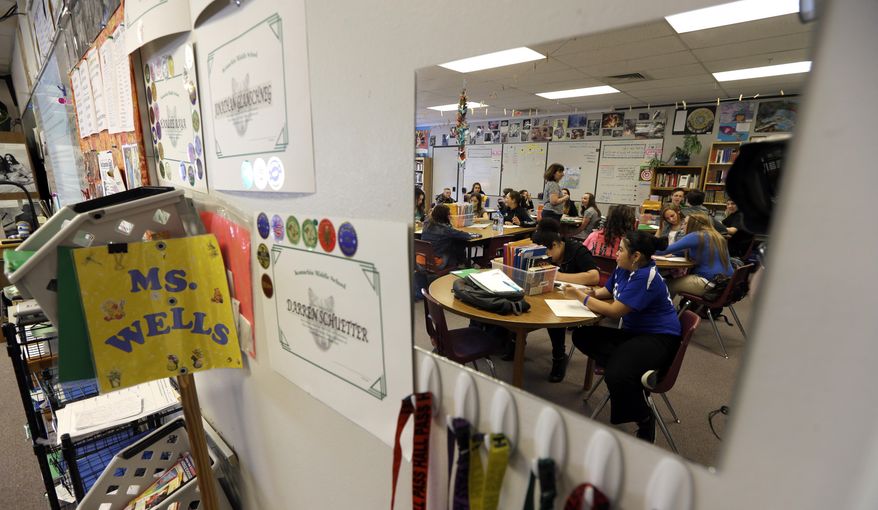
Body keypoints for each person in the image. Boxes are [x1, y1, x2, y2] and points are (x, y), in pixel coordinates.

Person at [568, 231, 682, 442]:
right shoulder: (624, 269)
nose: (617, 253)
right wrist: (589, 293)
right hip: (635, 334)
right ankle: (632, 372)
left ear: (636, 256)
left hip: (658, 337)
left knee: (617, 375)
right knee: (582, 336)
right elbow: (607, 292)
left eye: (621, 250)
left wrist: (581, 298)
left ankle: (645, 418)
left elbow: (615, 311)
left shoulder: (644, 276)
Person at [531, 218, 600, 382]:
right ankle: (514, 344)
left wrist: (559, 275)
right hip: (551, 293)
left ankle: (559, 357)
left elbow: (594, 276)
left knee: (553, 314)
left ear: (555, 245)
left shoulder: (577, 250)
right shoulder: (546, 251)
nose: (546, 257)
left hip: (575, 298)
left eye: (547, 252)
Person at [656, 212, 733, 297]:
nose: (682, 226)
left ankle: (663, 310)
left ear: (693, 224)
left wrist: (644, 249)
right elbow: (684, 251)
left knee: (664, 285)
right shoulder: (717, 236)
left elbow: (663, 250)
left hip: (708, 282)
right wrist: (673, 253)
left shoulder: (696, 235)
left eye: (685, 223)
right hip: (725, 283)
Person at [420, 204, 479, 269]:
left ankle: (463, 263)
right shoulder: (445, 229)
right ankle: (463, 265)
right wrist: (477, 235)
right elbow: (466, 236)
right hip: (437, 262)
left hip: (422, 259)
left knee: (453, 241)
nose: (450, 216)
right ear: (444, 216)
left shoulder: (426, 224)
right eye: (448, 214)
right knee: (458, 243)